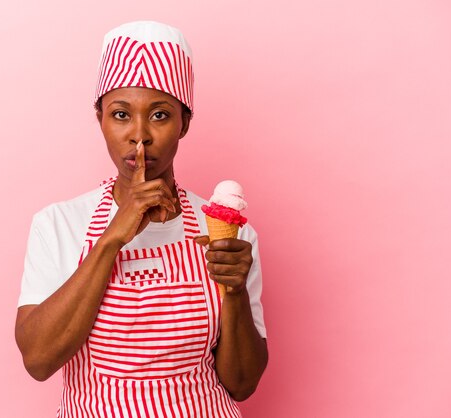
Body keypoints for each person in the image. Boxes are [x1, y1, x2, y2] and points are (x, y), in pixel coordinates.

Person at [15, 20, 268, 417]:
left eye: (160, 115)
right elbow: (38, 360)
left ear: (184, 123)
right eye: (120, 114)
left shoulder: (231, 235)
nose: (139, 136)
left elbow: (242, 385)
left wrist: (233, 292)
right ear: (99, 118)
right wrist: (113, 237)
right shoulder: (59, 224)